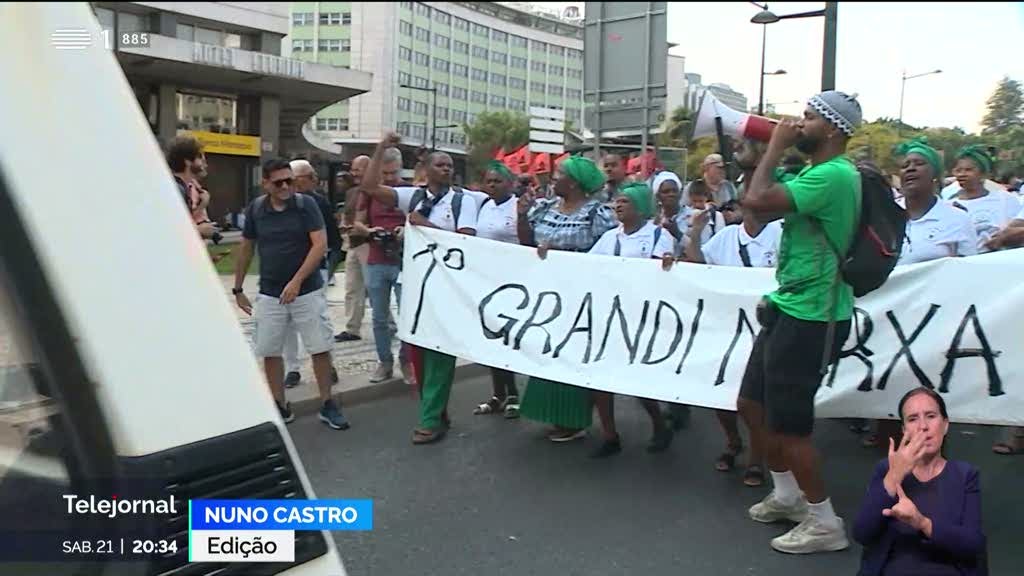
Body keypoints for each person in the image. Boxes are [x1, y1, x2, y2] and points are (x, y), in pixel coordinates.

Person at [740, 90, 864, 554]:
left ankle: (824, 522)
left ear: (831, 129)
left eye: (808, 118)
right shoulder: (815, 172)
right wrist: (766, 159)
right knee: (752, 404)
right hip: (789, 306)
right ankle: (788, 495)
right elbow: (753, 213)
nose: (796, 123)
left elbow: (756, 198)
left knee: (791, 427)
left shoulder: (833, 175)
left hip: (814, 316)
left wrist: (773, 147)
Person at [360, 133, 479, 445]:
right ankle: (435, 410)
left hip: (447, 287)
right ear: (425, 170)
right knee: (418, 351)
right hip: (416, 284)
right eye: (440, 164)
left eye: (450, 165)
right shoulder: (412, 196)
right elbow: (370, 188)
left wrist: (422, 225)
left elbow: (464, 241)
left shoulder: (462, 200)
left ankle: (429, 419)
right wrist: (380, 148)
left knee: (440, 354)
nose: (447, 169)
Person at [686, 138, 783, 487]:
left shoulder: (782, 235)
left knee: (755, 401)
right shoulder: (726, 237)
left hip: (768, 329)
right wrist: (694, 236)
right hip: (727, 328)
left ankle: (757, 458)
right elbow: (699, 267)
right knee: (720, 392)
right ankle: (733, 441)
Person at [232, 158, 349, 430]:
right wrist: (238, 288)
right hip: (270, 292)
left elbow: (319, 245)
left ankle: (327, 403)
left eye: (290, 181)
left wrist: (297, 281)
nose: (286, 186)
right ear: (265, 184)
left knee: (319, 346)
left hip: (306, 291)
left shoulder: (305, 205)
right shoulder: (257, 210)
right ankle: (279, 405)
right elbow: (247, 248)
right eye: (279, 182)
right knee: (270, 350)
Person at [516, 156, 616, 443]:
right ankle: (559, 415)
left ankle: (578, 419)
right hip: (547, 297)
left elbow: (609, 254)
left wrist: (564, 257)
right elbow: (526, 243)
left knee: (577, 358)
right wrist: (522, 216)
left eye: (559, 174)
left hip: (582, 298)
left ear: (573, 182)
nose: (553, 177)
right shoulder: (544, 208)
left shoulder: (597, 213)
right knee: (551, 354)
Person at [853, 387, 986, 575]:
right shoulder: (886, 469)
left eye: (931, 416)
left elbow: (973, 544)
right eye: (913, 419)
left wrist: (922, 523)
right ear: (904, 430)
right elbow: (862, 533)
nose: (923, 426)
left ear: (945, 424)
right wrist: (894, 476)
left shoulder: (965, 475)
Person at [587, 182, 676, 457]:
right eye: (617, 201)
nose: (618, 205)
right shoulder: (609, 238)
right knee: (600, 377)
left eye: (625, 201)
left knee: (638, 378)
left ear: (639, 207)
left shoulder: (658, 235)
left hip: (642, 317)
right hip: (611, 315)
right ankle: (610, 434)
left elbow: (658, 272)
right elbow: (586, 266)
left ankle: (660, 425)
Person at [281, 160, 342, 389]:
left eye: (295, 179)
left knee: (318, 318)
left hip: (316, 268)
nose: (289, 185)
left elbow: (333, 240)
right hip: (286, 270)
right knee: (287, 320)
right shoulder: (278, 203)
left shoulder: (318, 203)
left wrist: (328, 267)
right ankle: (292, 368)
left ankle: (327, 363)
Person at [469, 161, 523, 419]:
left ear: (510, 184)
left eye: (497, 181)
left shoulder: (518, 207)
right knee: (489, 338)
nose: (492, 185)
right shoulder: (483, 206)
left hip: (512, 282)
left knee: (507, 339)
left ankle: (513, 394)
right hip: (485, 280)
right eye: (488, 181)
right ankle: (497, 394)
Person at [353, 147, 410, 384]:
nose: (388, 178)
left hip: (403, 261)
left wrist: (405, 230)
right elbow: (357, 221)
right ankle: (384, 362)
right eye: (384, 174)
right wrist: (369, 231)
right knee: (378, 317)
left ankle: (406, 362)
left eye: (393, 173)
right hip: (376, 259)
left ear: (400, 168)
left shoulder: (410, 191)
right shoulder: (370, 192)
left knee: (407, 316)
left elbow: (421, 220)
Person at [948, 145, 1021, 253]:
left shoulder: (1005, 199)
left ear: (984, 174)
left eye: (968, 170)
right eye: (958, 170)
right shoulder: (949, 206)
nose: (962, 174)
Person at [335, 155, 371, 342]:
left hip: (368, 244)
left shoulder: (374, 191)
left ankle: (389, 323)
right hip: (352, 243)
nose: (354, 173)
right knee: (352, 287)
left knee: (375, 287)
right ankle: (352, 328)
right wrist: (344, 225)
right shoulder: (351, 192)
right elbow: (347, 215)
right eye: (354, 169)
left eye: (359, 169)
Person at [166, 135, 218, 241]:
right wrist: (199, 230)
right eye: (199, 157)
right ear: (187, 161)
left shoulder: (181, 187)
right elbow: (169, 228)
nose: (204, 162)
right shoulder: (176, 190)